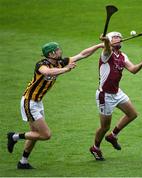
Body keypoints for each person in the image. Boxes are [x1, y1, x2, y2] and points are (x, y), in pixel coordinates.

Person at [7, 41, 104, 169]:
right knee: (45, 135)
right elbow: (47, 72)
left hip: (38, 102)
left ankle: (23, 161)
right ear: (51, 53)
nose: (60, 51)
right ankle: (14, 136)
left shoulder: (59, 62)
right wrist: (65, 69)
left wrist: (98, 46)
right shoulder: (41, 64)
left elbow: (82, 54)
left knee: (34, 133)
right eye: (58, 50)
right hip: (29, 102)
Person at [89, 32, 142, 161]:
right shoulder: (106, 54)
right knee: (104, 126)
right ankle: (95, 147)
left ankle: (112, 136)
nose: (119, 39)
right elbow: (106, 48)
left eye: (120, 37)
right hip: (105, 95)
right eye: (116, 37)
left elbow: (133, 70)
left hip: (117, 93)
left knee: (132, 114)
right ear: (110, 41)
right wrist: (106, 41)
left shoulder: (123, 56)